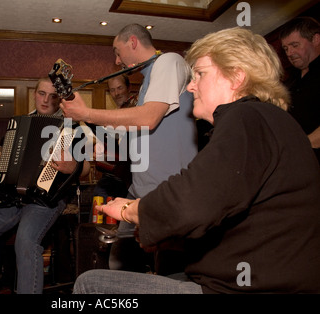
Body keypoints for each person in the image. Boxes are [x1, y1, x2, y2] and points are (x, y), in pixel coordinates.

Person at [73, 27, 320, 294]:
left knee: (89, 284)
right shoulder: (269, 120)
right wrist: (170, 241)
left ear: (236, 77)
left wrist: (130, 211)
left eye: (200, 74)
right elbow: (239, 221)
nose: (191, 86)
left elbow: (191, 203)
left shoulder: (247, 118)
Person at [61, 24, 198, 273]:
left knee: (170, 272)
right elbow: (129, 132)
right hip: (140, 189)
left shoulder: (169, 61)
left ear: (133, 42)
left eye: (117, 51)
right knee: (121, 261)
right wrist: (89, 124)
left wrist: (87, 112)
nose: (116, 60)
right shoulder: (148, 83)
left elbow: (149, 118)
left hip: (167, 190)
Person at [0, 77, 90, 294]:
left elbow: (85, 167)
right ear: (34, 94)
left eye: (53, 96)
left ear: (59, 99)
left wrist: (73, 165)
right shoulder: (21, 123)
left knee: (26, 242)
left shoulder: (71, 127)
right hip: (12, 195)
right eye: (42, 94)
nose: (46, 100)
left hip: (46, 199)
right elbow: (5, 153)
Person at [280, 17, 320, 164]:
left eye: (295, 45)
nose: (289, 53)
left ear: (315, 39)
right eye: (285, 48)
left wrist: (299, 148)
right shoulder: (291, 81)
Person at [92, 75, 136, 204]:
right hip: (112, 176)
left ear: (129, 88)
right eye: (112, 90)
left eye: (119, 88)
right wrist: (99, 151)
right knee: (98, 200)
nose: (116, 93)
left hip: (131, 178)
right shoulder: (110, 118)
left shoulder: (137, 111)